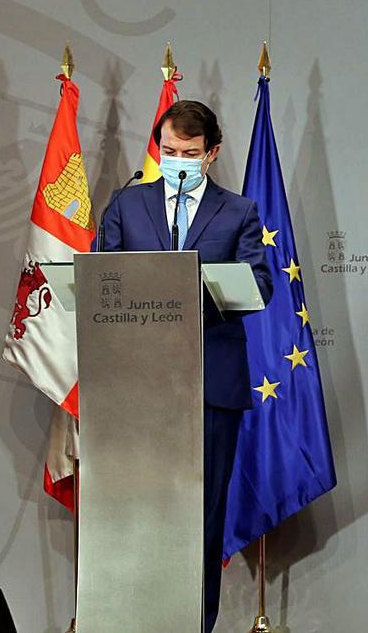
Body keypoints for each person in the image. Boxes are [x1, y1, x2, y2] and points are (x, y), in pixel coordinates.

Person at [95, 100, 273, 632]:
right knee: (136, 516)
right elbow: (101, 281)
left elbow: (259, 284)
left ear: (211, 154)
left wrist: (187, 293)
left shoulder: (238, 212)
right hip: (134, 387)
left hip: (210, 388)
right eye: (168, 151)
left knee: (202, 518)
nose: (177, 160)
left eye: (189, 154)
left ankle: (197, 624)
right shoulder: (127, 207)